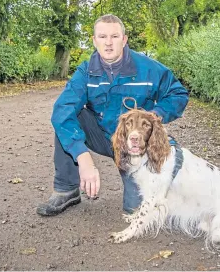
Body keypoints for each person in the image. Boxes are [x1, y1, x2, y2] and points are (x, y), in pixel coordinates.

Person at [37, 14, 189, 216]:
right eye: (102, 37)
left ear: (124, 40)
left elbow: (178, 94)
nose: (108, 43)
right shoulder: (86, 72)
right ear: (94, 40)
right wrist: (83, 158)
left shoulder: (149, 68)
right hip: (104, 135)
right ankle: (67, 189)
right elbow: (62, 111)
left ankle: (171, 191)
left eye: (114, 37)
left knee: (136, 210)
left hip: (135, 142)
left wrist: (153, 116)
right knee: (68, 119)